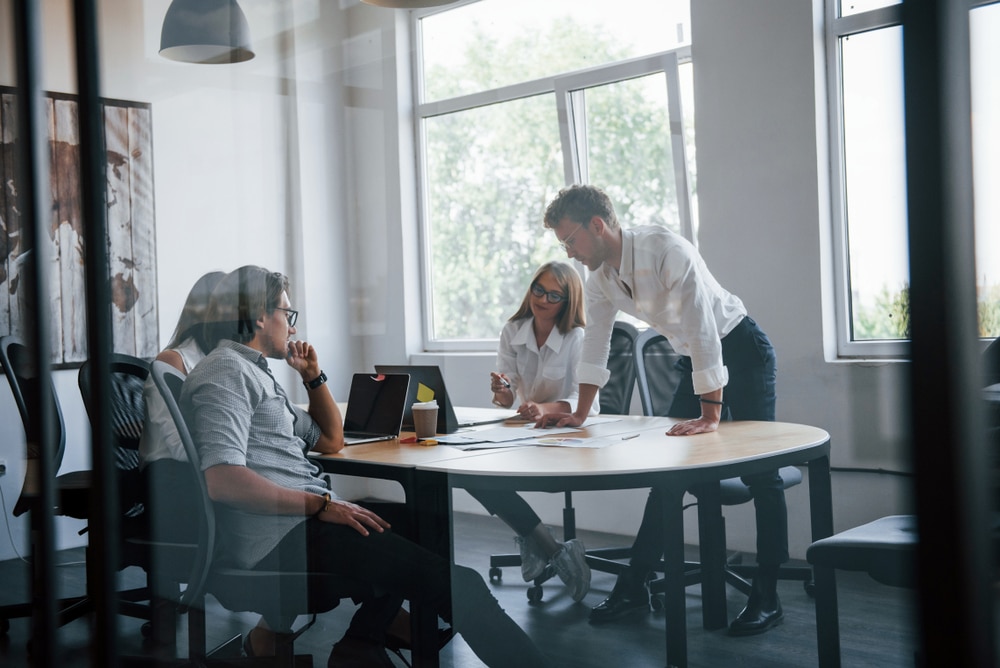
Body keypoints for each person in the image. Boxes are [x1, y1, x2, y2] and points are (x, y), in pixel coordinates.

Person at [181, 265, 550, 668]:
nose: (291, 324)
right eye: (287, 313)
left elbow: (329, 439)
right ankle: (365, 640)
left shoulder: (255, 372)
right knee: (464, 585)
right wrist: (322, 507)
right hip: (281, 540)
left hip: (306, 523)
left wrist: (312, 377)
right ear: (258, 316)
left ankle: (363, 639)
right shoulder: (223, 372)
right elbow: (222, 480)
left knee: (426, 524)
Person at [538, 184, 787, 636]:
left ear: (597, 225)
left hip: (741, 348)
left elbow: (703, 328)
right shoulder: (600, 280)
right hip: (695, 357)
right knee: (669, 472)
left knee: (762, 475)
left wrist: (711, 414)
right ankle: (635, 585)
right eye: (563, 245)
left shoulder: (665, 249)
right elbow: (595, 347)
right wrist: (581, 412)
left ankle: (767, 594)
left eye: (570, 239)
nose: (569, 252)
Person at [467, 261, 594, 602]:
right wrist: (501, 389)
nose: (543, 299)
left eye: (554, 295)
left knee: (487, 477)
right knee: (472, 472)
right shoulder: (513, 330)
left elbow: (587, 403)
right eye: (539, 289)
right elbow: (506, 398)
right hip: (526, 431)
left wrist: (546, 409)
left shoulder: (576, 337)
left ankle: (537, 542)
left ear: (567, 301)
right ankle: (550, 546)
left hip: (568, 434)